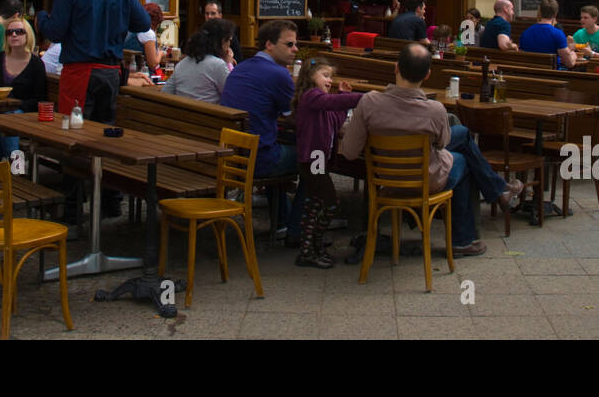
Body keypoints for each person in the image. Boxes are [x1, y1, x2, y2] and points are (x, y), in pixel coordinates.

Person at [338, 44, 522, 257]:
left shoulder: (368, 102)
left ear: (395, 68)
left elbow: (350, 152)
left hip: (384, 177)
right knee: (463, 158)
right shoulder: (435, 110)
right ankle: (465, 236)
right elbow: (442, 143)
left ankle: (498, 193)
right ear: (427, 75)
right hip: (425, 179)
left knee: (461, 137)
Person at [38, 0, 151, 121]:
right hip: (111, 72)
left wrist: (42, 18)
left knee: (74, 129)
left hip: (80, 72)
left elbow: (55, 33)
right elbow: (143, 23)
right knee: (102, 132)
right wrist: (119, 22)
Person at [219, 20, 302, 240]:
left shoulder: (242, 68)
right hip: (260, 160)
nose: (296, 49)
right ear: (269, 45)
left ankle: (283, 221)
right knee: (317, 158)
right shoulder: (279, 74)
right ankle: (299, 226)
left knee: (279, 144)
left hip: (233, 157)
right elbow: (295, 118)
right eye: (290, 44)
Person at [292, 57, 363, 268]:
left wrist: (344, 95)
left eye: (330, 76)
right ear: (309, 77)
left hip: (319, 159)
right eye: (325, 75)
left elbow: (336, 116)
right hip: (313, 159)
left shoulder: (321, 101)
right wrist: (362, 99)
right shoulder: (310, 97)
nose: (329, 80)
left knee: (315, 203)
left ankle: (311, 248)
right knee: (330, 202)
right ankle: (311, 247)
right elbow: (332, 103)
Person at [0, 17, 48, 159]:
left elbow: (40, 99)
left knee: (8, 119)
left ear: (28, 35)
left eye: (19, 32)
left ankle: (15, 170)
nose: (14, 35)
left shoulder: (36, 64)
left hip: (23, 114)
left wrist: (16, 105)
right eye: (9, 32)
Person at [165, 18, 236, 103]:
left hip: (182, 114)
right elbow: (233, 94)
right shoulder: (218, 65)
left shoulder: (183, 63)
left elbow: (166, 92)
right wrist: (228, 64)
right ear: (222, 41)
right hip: (209, 115)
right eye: (229, 40)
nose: (229, 44)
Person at [519, 0, 578, 68]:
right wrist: (573, 55)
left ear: (540, 12)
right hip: (551, 76)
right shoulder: (558, 34)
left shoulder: (526, 33)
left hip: (528, 74)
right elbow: (570, 63)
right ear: (555, 14)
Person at [123, 3, 164, 73]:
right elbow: (153, 64)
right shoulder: (147, 32)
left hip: (125, 74)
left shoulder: (129, 29)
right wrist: (161, 53)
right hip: (141, 75)